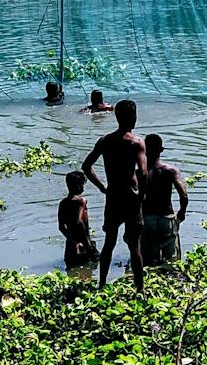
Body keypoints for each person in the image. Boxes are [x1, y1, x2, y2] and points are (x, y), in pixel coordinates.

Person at [81, 98, 147, 290]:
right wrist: (141, 195)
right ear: (134, 118)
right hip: (131, 198)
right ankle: (140, 289)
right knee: (134, 246)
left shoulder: (105, 141)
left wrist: (103, 188)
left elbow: (86, 167)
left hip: (113, 197)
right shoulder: (136, 143)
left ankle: (101, 285)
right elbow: (142, 172)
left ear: (117, 117)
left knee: (109, 244)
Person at [140, 134, 190, 268]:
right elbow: (184, 195)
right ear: (161, 150)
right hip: (165, 218)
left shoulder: (139, 172)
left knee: (146, 261)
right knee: (171, 260)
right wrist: (182, 212)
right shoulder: (171, 171)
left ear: (144, 149)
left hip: (146, 219)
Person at [57, 170, 96, 268]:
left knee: (72, 271)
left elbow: (61, 227)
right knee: (90, 270)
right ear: (78, 185)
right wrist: (87, 242)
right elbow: (79, 222)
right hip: (83, 244)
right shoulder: (81, 201)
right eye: (82, 184)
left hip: (70, 245)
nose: (83, 187)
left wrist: (74, 242)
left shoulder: (62, 203)